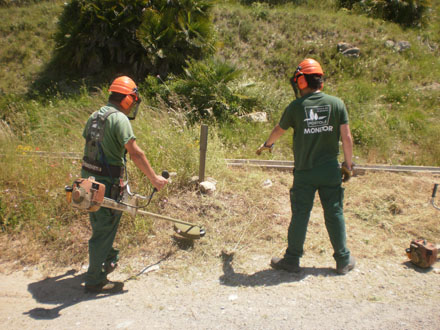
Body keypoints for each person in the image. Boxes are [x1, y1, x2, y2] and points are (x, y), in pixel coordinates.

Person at [256, 58, 355, 275]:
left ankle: (292, 260)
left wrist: (267, 144)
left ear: (301, 82)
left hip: (304, 173)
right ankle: (343, 260)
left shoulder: (296, 107)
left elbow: (278, 130)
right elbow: (347, 138)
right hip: (330, 171)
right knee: (335, 212)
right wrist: (348, 166)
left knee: (300, 214)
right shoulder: (337, 103)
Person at [81, 76, 168, 293]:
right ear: (128, 99)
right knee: (103, 229)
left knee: (100, 224)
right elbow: (136, 154)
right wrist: (155, 179)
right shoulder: (120, 119)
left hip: (87, 181)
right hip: (106, 184)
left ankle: (108, 257)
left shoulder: (94, 116)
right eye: (133, 100)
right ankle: (94, 280)